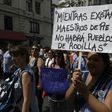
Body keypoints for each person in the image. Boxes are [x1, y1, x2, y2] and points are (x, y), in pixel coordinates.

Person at [10, 45, 39, 112]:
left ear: (24, 56)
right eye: (12, 55)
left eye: (15, 55)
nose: (12, 58)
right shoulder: (19, 70)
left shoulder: (25, 74)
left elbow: (26, 100)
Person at [29, 44, 44, 112]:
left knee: (38, 102)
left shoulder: (39, 60)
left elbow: (41, 73)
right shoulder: (29, 58)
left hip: (36, 85)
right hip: (29, 84)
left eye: (36, 49)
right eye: (33, 49)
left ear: (38, 51)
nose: (34, 50)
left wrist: (40, 84)